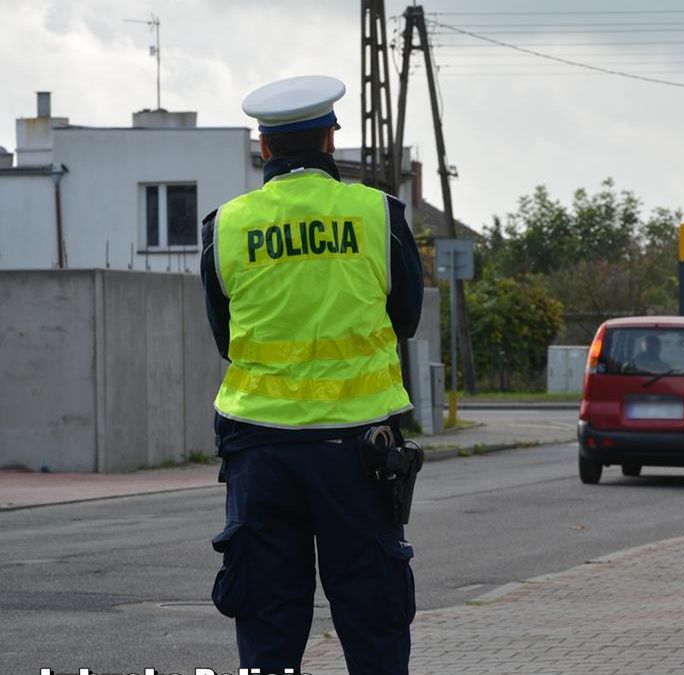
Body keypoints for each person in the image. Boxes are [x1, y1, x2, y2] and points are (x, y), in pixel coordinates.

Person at [199, 75, 424, 675]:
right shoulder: (378, 213)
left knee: (267, 626)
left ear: (264, 148)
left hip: (259, 450)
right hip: (360, 452)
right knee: (373, 621)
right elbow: (406, 317)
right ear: (329, 139)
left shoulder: (225, 225)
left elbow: (226, 340)